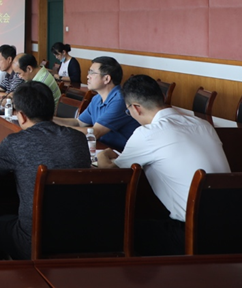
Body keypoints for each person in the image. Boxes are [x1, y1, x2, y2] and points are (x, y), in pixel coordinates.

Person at [97, 74, 230, 256]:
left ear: (136, 108)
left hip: (191, 235)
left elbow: (110, 172)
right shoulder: (203, 124)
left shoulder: (148, 132)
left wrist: (103, 154)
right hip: (230, 227)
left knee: (116, 228)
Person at [0, 81, 90, 260]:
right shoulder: (78, 138)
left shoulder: (15, 142)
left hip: (33, 241)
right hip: (80, 236)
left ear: (21, 116)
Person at [54, 56, 139, 151]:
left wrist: (56, 128)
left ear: (106, 79)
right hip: (104, 149)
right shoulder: (97, 98)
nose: (87, 76)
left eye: (92, 73)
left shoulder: (120, 100)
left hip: (122, 154)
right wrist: (49, 120)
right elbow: (79, 122)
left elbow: (95, 133)